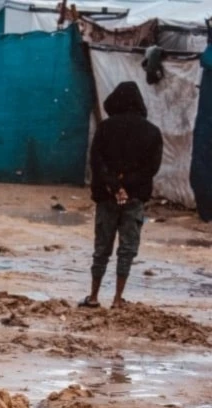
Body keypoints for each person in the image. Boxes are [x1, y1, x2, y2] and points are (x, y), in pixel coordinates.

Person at [80, 81, 163, 309]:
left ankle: (94, 296)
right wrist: (126, 185)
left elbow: (97, 161)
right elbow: (151, 168)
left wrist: (114, 186)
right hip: (134, 197)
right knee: (127, 249)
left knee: (101, 248)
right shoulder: (152, 132)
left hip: (107, 197)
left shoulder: (105, 128)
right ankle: (117, 299)